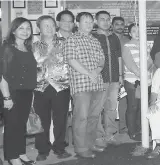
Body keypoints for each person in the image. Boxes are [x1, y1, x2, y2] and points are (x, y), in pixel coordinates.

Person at [0, 17, 37, 165]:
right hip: (11, 93)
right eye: (21, 28)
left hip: (26, 92)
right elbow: (2, 76)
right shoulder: (7, 48)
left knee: (21, 125)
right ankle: (12, 157)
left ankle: (21, 153)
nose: (26, 31)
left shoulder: (27, 48)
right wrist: (7, 98)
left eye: (28, 28)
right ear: (13, 30)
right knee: (12, 126)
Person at [64, 12, 106, 158]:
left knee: (94, 117)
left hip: (97, 84)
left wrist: (97, 70)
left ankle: (90, 143)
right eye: (85, 21)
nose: (89, 24)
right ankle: (81, 148)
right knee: (81, 117)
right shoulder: (71, 40)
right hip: (81, 85)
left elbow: (102, 60)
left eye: (90, 22)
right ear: (77, 23)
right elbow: (71, 60)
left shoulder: (95, 40)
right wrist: (89, 73)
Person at [33, 15, 72, 161]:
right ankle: (42, 149)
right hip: (40, 87)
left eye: (51, 25)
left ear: (56, 26)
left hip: (61, 87)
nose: (49, 28)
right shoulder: (33, 46)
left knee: (60, 120)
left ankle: (59, 148)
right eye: (45, 25)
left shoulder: (66, 43)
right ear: (39, 28)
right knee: (42, 121)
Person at [91, 11, 122, 148]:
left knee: (111, 108)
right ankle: (98, 136)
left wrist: (121, 75)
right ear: (96, 21)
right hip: (99, 78)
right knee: (97, 109)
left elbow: (119, 57)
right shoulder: (92, 37)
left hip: (114, 79)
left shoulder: (114, 37)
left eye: (108, 19)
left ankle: (110, 134)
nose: (105, 22)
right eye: (102, 19)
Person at [122, 23, 155, 141]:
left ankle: (142, 129)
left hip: (146, 82)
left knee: (143, 107)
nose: (137, 33)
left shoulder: (145, 45)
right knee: (133, 106)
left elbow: (150, 61)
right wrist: (141, 75)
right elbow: (130, 65)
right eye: (134, 31)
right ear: (130, 33)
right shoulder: (127, 46)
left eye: (139, 30)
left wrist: (145, 75)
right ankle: (132, 131)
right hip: (133, 82)